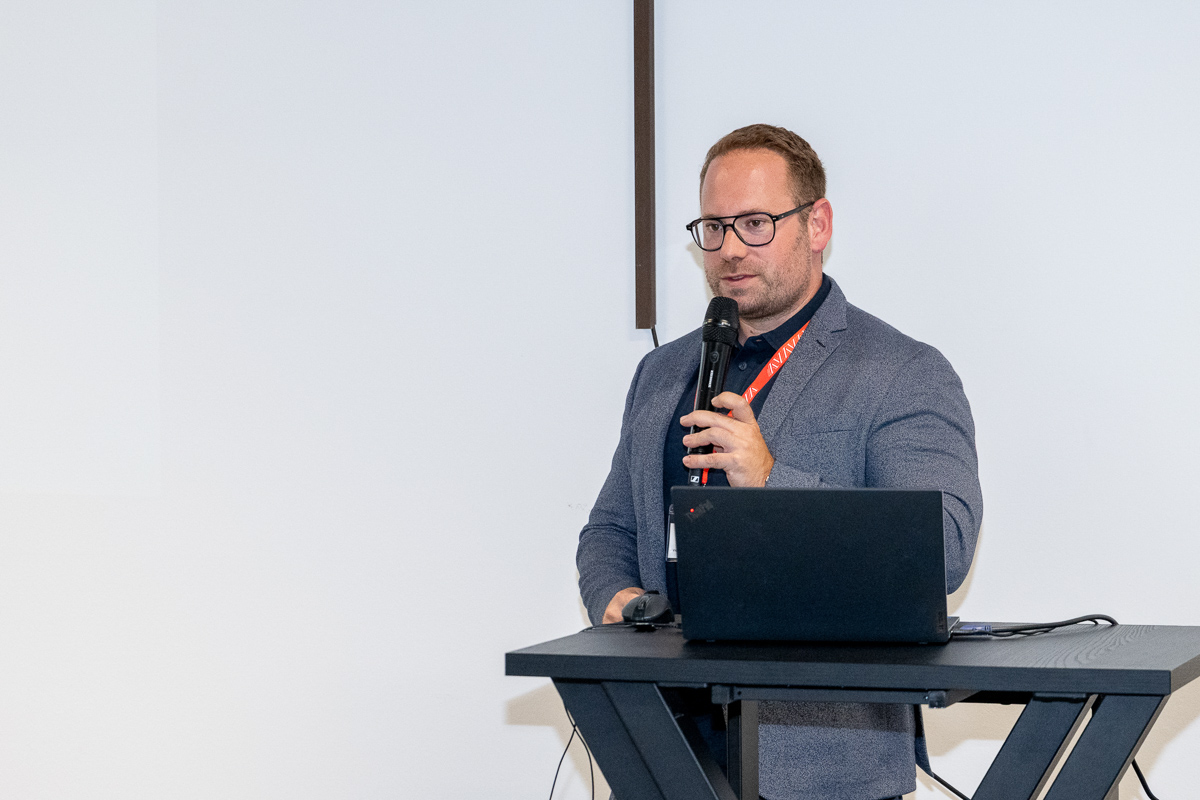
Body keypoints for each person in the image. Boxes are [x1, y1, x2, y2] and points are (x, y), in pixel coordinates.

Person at [575, 123, 983, 800]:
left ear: (816, 225)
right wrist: (613, 596)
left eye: (756, 223)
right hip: (663, 743)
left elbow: (941, 549)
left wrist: (769, 478)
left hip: (820, 765)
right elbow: (611, 528)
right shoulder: (663, 372)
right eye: (714, 227)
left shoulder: (901, 371)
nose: (731, 248)